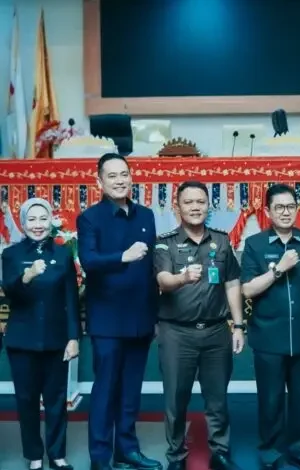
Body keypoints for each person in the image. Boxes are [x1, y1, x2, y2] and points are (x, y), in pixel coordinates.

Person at [77, 153, 162, 470]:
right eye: (112, 176)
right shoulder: (90, 218)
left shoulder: (146, 215)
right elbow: (88, 261)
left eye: (124, 174)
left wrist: (155, 315)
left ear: (131, 177)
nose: (119, 180)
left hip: (141, 318)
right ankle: (100, 458)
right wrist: (122, 257)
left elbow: (151, 269)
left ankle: (127, 450)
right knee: (105, 392)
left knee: (130, 391)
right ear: (99, 181)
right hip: (107, 321)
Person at [153, 181, 245, 470]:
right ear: (177, 207)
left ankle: (220, 453)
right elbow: (163, 281)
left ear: (209, 206)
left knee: (217, 400)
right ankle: (176, 456)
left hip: (217, 332)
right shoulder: (165, 243)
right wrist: (182, 278)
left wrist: (238, 325)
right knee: (175, 401)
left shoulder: (222, 241)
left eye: (201, 202)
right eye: (189, 202)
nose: (195, 207)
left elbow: (232, 282)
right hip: (176, 333)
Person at [241, 183, 300, 470]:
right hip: (268, 336)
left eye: (290, 206)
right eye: (279, 207)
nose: (285, 212)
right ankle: (269, 453)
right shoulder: (255, 244)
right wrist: (279, 268)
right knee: (270, 400)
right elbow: (247, 289)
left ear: (297, 208)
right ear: (267, 211)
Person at [1, 198, 81, 470]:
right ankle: (34, 455)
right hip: (22, 341)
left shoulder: (63, 253)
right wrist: (26, 276)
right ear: (23, 223)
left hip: (56, 340)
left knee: (57, 401)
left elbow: (71, 298)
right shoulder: (11, 254)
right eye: (32, 219)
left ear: (50, 222)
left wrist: (73, 337)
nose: (38, 225)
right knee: (26, 401)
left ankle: (57, 454)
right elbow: (10, 292)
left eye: (43, 219)